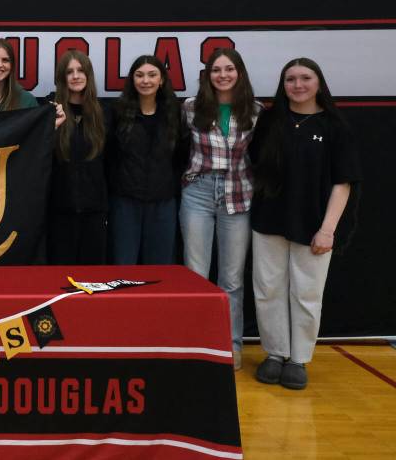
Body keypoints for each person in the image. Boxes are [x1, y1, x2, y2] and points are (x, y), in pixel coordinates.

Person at [250, 58, 361, 390]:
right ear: (282, 85)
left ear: (318, 82)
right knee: (267, 290)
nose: (297, 85)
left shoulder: (335, 127)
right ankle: (274, 353)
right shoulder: (270, 121)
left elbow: (344, 183)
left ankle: (298, 359)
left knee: (307, 293)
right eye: (290, 79)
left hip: (314, 223)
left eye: (305, 78)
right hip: (269, 219)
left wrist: (328, 229)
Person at [179, 48, 262, 371]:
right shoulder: (190, 107)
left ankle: (231, 346)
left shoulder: (254, 111)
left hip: (238, 195)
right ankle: (196, 344)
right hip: (197, 193)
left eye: (229, 69)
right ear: (208, 75)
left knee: (231, 280)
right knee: (196, 276)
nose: (223, 75)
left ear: (239, 73)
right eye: (216, 70)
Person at [106, 55, 186, 265]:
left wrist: (169, 186)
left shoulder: (174, 112)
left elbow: (181, 156)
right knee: (123, 266)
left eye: (152, 75)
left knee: (160, 270)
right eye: (139, 75)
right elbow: (109, 156)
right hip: (125, 202)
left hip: (163, 203)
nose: (146, 81)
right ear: (132, 79)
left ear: (162, 80)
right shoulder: (118, 112)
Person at [42, 50, 108, 265]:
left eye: (81, 70)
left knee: (93, 279)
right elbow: (39, 157)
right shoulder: (50, 111)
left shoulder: (104, 113)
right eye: (69, 72)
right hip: (59, 212)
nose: (76, 76)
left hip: (95, 213)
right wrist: (51, 127)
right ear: (62, 77)